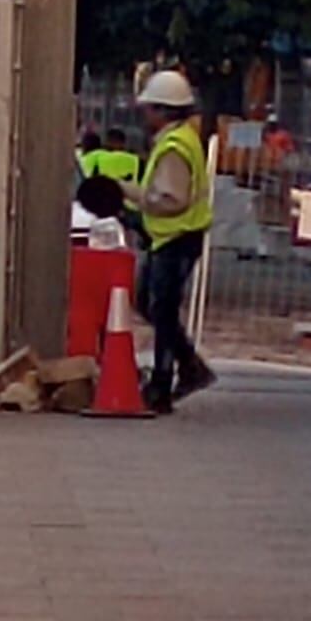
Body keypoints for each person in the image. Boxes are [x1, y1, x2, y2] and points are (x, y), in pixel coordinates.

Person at [118, 69, 216, 415]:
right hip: (174, 237)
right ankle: (188, 366)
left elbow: (170, 199)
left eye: (149, 108)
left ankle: (164, 381)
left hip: (176, 238)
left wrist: (127, 193)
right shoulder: (181, 140)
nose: (145, 115)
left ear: (162, 110)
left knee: (160, 308)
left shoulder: (174, 147)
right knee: (153, 304)